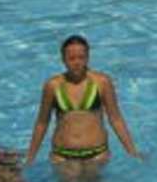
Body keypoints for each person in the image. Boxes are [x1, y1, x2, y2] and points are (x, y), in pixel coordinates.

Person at [23, 34, 145, 170]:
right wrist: (30, 157)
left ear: (88, 57)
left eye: (81, 57)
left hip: (97, 154)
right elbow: (42, 123)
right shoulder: (52, 86)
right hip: (63, 156)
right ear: (63, 59)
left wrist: (133, 152)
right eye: (71, 58)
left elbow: (116, 119)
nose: (77, 62)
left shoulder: (102, 82)